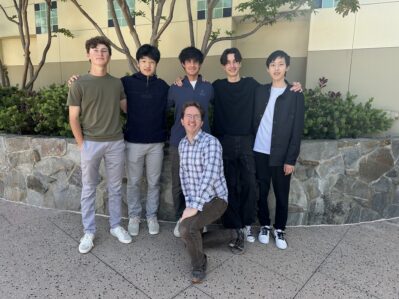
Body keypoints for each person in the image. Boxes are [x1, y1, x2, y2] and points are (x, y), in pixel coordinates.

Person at [212, 48, 302, 254]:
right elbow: (197, 92)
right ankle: (236, 226)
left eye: (235, 61)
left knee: (251, 186)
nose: (232, 65)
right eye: (228, 62)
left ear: (241, 63)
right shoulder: (217, 86)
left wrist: (296, 86)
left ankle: (254, 225)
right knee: (231, 186)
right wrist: (182, 82)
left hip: (248, 142)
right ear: (223, 65)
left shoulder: (253, 86)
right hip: (229, 143)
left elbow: (293, 121)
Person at [67, 36, 132, 254]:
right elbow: (73, 117)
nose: (100, 53)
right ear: (88, 54)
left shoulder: (117, 83)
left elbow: (127, 108)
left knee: (115, 188)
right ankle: (89, 231)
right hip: (91, 144)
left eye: (104, 50)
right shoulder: (79, 83)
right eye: (95, 49)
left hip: (115, 142)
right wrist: (81, 144)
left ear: (109, 55)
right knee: (88, 188)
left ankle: (115, 226)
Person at [253, 50, 305, 250]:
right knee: (262, 191)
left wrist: (291, 159)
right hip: (259, 151)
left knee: (282, 193)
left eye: (281, 64)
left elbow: (297, 129)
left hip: (281, 154)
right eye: (273, 64)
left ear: (287, 67)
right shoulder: (260, 90)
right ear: (268, 68)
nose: (276, 68)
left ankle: (280, 228)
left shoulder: (294, 94)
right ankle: (265, 225)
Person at [121, 44, 169, 236]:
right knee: (133, 182)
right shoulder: (126, 82)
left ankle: (151, 216)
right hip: (133, 142)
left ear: (156, 64)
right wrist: (77, 79)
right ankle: (134, 216)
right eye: (143, 61)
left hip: (156, 143)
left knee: (154, 182)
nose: (147, 65)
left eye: (151, 62)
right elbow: (103, 85)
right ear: (137, 62)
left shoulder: (163, 86)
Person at [178, 101, 228, 284]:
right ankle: (232, 235)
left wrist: (195, 207)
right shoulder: (182, 145)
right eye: (188, 116)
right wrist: (189, 206)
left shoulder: (211, 143)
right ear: (182, 121)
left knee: (186, 229)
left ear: (201, 122)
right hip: (197, 200)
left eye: (196, 116)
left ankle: (199, 265)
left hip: (216, 199)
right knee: (188, 236)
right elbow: (184, 178)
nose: (192, 120)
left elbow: (210, 176)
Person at [167, 47, 213, 237]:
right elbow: (163, 110)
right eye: (188, 61)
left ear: (199, 64)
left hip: (203, 144)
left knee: (202, 183)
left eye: (195, 61)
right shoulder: (175, 88)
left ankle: (201, 221)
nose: (192, 65)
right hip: (179, 142)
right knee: (179, 183)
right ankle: (181, 219)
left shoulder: (209, 87)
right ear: (183, 64)